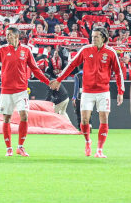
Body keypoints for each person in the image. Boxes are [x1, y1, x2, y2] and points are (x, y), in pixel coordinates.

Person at [0, 27, 50, 157]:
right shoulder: (2, 50)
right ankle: (9, 148)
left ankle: (20, 147)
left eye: (10, 35)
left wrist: (48, 81)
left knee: (24, 116)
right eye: (6, 35)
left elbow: (35, 69)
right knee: (6, 118)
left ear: (17, 36)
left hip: (22, 90)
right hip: (6, 90)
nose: (7, 37)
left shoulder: (26, 50)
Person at [50, 27, 125, 158]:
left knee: (104, 118)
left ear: (103, 38)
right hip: (87, 91)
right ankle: (87, 141)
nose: (93, 39)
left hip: (103, 91)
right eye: (92, 37)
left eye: (96, 37)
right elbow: (72, 65)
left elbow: (118, 73)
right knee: (84, 120)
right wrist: (59, 79)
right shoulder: (85, 50)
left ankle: (100, 150)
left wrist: (120, 91)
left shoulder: (111, 52)